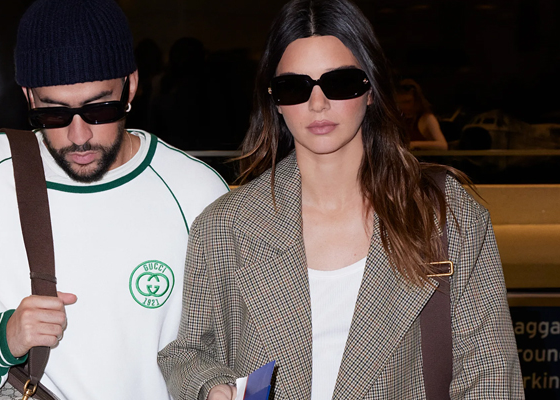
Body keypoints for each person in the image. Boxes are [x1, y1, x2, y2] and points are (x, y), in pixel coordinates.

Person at [157, 0, 522, 399]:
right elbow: (189, 353)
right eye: (294, 87)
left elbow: (491, 375)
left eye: (341, 82)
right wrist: (211, 386)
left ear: (371, 90)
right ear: (275, 101)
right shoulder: (225, 225)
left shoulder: (442, 214)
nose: (317, 104)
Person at [0, 0, 228, 399]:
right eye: (53, 114)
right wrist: (1, 335)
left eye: (100, 109)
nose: (78, 136)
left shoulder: (195, 192)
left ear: (131, 85)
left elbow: (236, 332)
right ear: (28, 96)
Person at [396, 78, 449, 150]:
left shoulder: (427, 118)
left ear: (416, 101)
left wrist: (414, 144)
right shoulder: (398, 119)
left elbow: (443, 145)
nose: (404, 106)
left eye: (407, 102)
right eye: (400, 103)